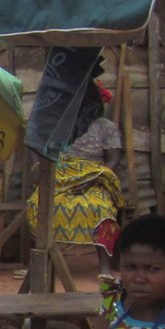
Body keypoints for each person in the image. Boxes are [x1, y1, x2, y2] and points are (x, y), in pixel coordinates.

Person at [25, 85, 125, 245]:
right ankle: (42, 260)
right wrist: (37, 165)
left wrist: (95, 178)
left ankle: (104, 266)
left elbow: (114, 159)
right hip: (58, 175)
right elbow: (32, 140)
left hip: (93, 177)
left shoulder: (106, 126)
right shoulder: (56, 123)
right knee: (39, 206)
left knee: (98, 208)